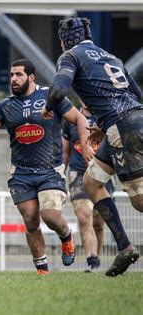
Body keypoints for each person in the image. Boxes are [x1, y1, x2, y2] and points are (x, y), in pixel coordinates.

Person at [0, 59, 93, 276]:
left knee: (50, 217)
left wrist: (84, 147)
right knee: (30, 220)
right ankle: (42, 269)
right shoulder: (6, 105)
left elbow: (80, 119)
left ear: (31, 77)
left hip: (50, 170)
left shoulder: (51, 97)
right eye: (11, 75)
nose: (13, 79)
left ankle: (66, 236)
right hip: (21, 173)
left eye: (18, 75)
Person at [42, 16, 142, 276]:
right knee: (92, 182)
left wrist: (48, 108)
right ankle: (125, 247)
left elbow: (57, 91)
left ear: (63, 40)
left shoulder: (70, 56)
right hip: (126, 123)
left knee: (140, 200)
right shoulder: (110, 57)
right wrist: (104, 127)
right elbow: (136, 95)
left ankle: (124, 247)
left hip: (122, 127)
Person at [62, 101, 115, 272]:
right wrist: (59, 175)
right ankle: (91, 260)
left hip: (102, 175)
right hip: (77, 175)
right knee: (84, 217)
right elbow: (65, 152)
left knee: (99, 223)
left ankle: (96, 258)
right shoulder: (71, 118)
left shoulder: (105, 117)